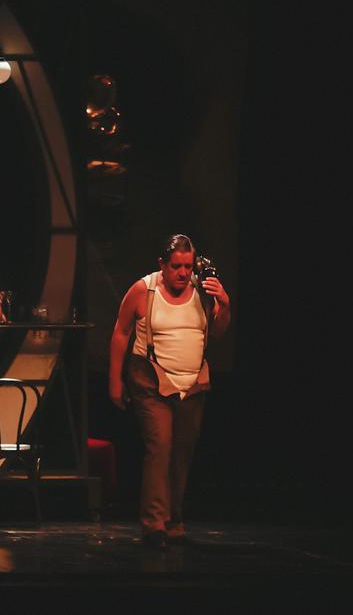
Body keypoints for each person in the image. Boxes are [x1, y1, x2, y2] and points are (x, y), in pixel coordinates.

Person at [109, 234, 230, 548]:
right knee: (160, 445)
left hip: (192, 382)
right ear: (162, 264)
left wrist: (224, 302)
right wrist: (115, 381)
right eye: (176, 266)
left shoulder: (202, 291)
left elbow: (218, 332)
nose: (183, 273)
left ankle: (174, 522)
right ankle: (154, 525)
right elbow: (121, 332)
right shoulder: (144, 290)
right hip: (151, 379)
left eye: (188, 266)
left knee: (182, 451)